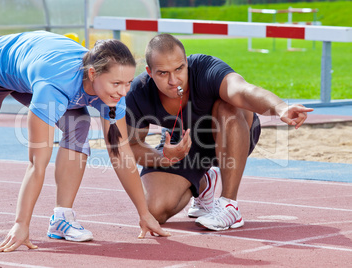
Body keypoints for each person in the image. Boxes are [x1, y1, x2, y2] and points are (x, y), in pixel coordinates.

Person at [0, 31, 170, 252]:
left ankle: (61, 219)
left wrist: (144, 214)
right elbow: (37, 164)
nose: (123, 92)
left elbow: (120, 153)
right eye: (116, 84)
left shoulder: (113, 92)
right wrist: (21, 224)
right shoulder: (54, 85)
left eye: (128, 83)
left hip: (32, 70)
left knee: (79, 124)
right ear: (92, 73)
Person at [125, 33, 313, 231]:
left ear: (186, 63)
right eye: (163, 73)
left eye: (179, 69)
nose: (174, 80)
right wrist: (164, 156)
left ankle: (229, 204)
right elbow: (133, 146)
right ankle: (204, 181)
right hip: (185, 145)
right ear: (149, 71)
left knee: (230, 104)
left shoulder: (205, 68)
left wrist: (280, 107)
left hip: (231, 131)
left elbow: (242, 90)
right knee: (154, 211)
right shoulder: (139, 92)